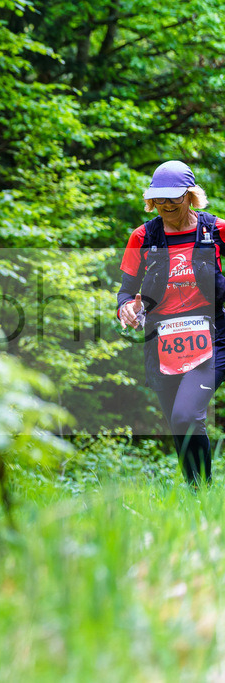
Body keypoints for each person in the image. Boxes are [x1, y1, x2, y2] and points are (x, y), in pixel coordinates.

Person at [117, 160, 225, 485]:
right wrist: (127, 308)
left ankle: (202, 489)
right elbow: (126, 292)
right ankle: (197, 495)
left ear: (190, 195)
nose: (165, 204)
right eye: (159, 198)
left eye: (173, 197)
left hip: (211, 335)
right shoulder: (143, 236)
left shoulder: (215, 229)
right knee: (179, 424)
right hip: (162, 339)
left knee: (186, 414)